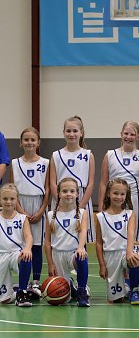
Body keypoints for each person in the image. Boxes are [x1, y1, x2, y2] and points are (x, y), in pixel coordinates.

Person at [9, 127, 50, 298]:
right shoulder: (15, 163)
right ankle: (23, 281)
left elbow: (48, 189)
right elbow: (12, 190)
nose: (29, 143)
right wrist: (21, 211)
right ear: (21, 142)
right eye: (26, 139)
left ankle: (36, 280)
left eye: (33, 140)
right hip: (20, 205)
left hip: (38, 204)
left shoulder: (46, 163)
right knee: (22, 244)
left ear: (38, 143)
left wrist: (41, 210)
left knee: (37, 245)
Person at [98, 121, 139, 242]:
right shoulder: (110, 155)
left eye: (132, 134)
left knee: (133, 240)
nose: (128, 137)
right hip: (113, 201)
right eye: (126, 133)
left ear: (138, 137)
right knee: (113, 237)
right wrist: (101, 206)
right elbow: (103, 183)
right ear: (121, 134)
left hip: (136, 202)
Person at [96, 178, 139, 305]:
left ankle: (135, 291)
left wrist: (129, 252)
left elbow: (131, 234)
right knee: (115, 300)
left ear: (126, 195)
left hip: (125, 251)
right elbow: (99, 243)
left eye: (122, 194)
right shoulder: (100, 217)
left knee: (135, 258)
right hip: (110, 255)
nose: (119, 197)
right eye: (115, 193)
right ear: (108, 194)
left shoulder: (130, 214)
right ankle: (127, 285)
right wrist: (102, 265)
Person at [44, 177, 90, 307]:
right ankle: (70, 285)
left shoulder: (82, 213)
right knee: (62, 296)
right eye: (64, 191)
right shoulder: (50, 215)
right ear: (58, 193)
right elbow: (47, 242)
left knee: (82, 257)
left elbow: (83, 232)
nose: (68, 194)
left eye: (72, 191)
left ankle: (82, 291)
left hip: (73, 254)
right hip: (57, 255)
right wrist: (50, 263)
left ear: (77, 194)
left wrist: (81, 247)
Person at [50, 116, 95, 243]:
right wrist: (60, 201)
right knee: (60, 238)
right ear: (63, 132)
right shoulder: (56, 155)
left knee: (81, 237)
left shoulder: (88, 155)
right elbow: (52, 182)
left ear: (81, 132)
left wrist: (80, 207)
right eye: (68, 131)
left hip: (82, 198)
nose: (71, 134)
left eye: (75, 131)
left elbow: (91, 183)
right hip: (61, 199)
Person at [0, 183, 33, 307]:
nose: (9, 202)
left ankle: (22, 292)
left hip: (16, 254)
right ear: (0, 199)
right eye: (5, 198)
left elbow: (28, 236)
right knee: (4, 301)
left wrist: (27, 248)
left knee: (26, 256)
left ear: (17, 200)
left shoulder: (22, 218)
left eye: (12, 199)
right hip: (1, 255)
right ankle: (16, 290)